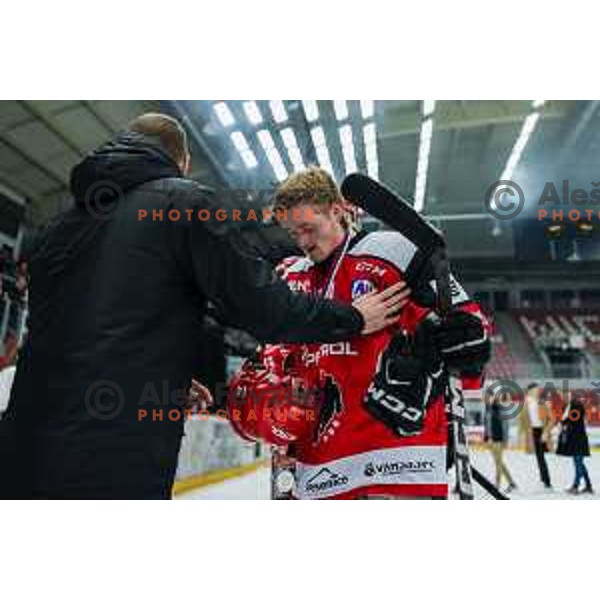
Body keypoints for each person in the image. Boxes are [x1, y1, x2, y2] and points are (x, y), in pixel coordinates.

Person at [0, 114, 407, 500]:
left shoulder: (56, 228)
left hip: (20, 454)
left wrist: (169, 376)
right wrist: (353, 317)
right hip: (111, 461)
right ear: (183, 161)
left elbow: (78, 336)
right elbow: (266, 309)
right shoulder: (184, 202)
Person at [229, 167, 491, 499]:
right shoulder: (289, 277)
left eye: (309, 229)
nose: (303, 243)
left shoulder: (396, 251)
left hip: (399, 468)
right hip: (318, 474)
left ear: (337, 210)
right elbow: (270, 364)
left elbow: (469, 336)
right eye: (294, 234)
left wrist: (468, 341)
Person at [556, 392, 594, 494]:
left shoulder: (576, 405)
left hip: (579, 439)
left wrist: (562, 423)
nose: (564, 398)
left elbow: (573, 418)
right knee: (579, 463)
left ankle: (576, 486)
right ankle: (588, 485)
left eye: (566, 395)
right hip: (574, 439)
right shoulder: (567, 406)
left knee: (578, 463)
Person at [484, 391, 516, 493]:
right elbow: (487, 425)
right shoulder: (488, 409)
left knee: (498, 463)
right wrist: (487, 438)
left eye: (490, 396)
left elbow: (506, 425)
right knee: (499, 462)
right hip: (491, 439)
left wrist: (505, 440)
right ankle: (511, 483)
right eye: (487, 397)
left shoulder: (500, 408)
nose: (489, 399)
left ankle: (497, 485)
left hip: (499, 438)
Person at [524, 383, 554, 489]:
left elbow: (552, 419)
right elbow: (523, 420)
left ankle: (547, 482)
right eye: (535, 390)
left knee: (541, 457)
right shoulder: (526, 403)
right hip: (533, 431)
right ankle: (543, 480)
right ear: (529, 391)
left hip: (542, 430)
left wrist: (546, 432)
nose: (537, 391)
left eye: (538, 390)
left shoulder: (544, 402)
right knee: (539, 457)